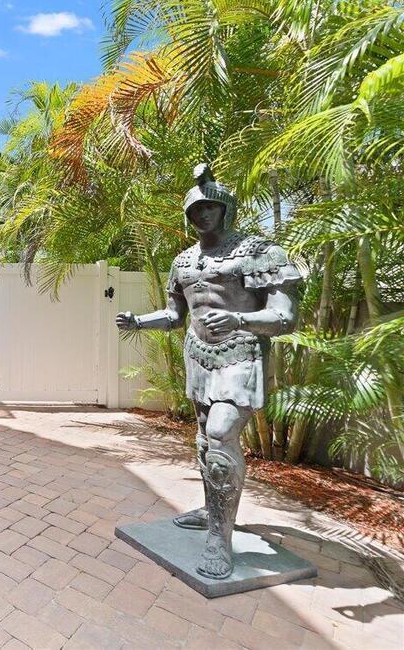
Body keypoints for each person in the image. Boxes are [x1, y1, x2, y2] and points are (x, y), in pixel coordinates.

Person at [116, 164, 302, 579]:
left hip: (241, 355)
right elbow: (174, 315)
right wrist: (139, 322)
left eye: (210, 207)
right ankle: (210, 510)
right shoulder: (183, 261)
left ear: (226, 209)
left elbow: (285, 318)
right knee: (204, 439)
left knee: (220, 433)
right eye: (195, 210)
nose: (202, 214)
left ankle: (221, 539)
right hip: (198, 356)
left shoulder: (259, 252)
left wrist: (239, 320)